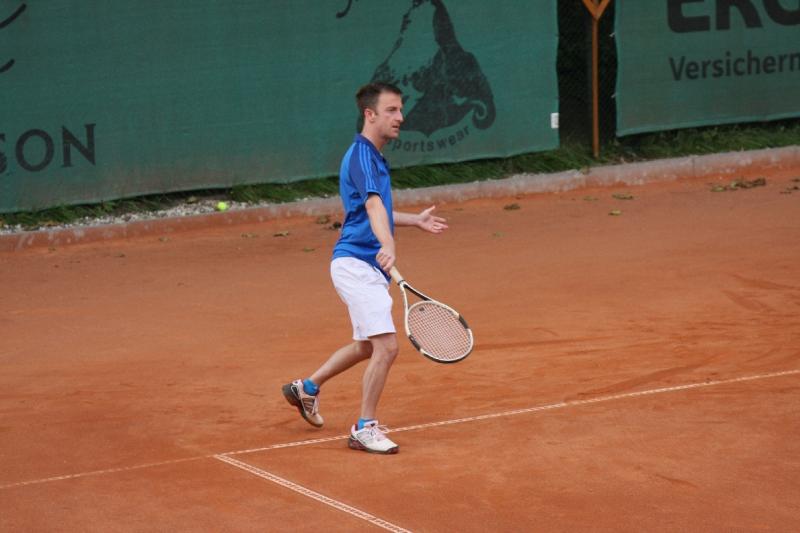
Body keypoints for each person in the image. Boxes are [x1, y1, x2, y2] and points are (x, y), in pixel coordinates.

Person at [282, 82, 448, 454]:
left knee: (366, 345)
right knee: (386, 347)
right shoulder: (362, 156)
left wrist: (413, 221)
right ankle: (364, 428)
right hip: (356, 263)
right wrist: (388, 243)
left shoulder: (372, 157)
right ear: (369, 114)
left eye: (400, 109)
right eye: (391, 110)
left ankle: (306, 388)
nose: (400, 117)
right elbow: (373, 208)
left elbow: (373, 210)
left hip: (364, 264)